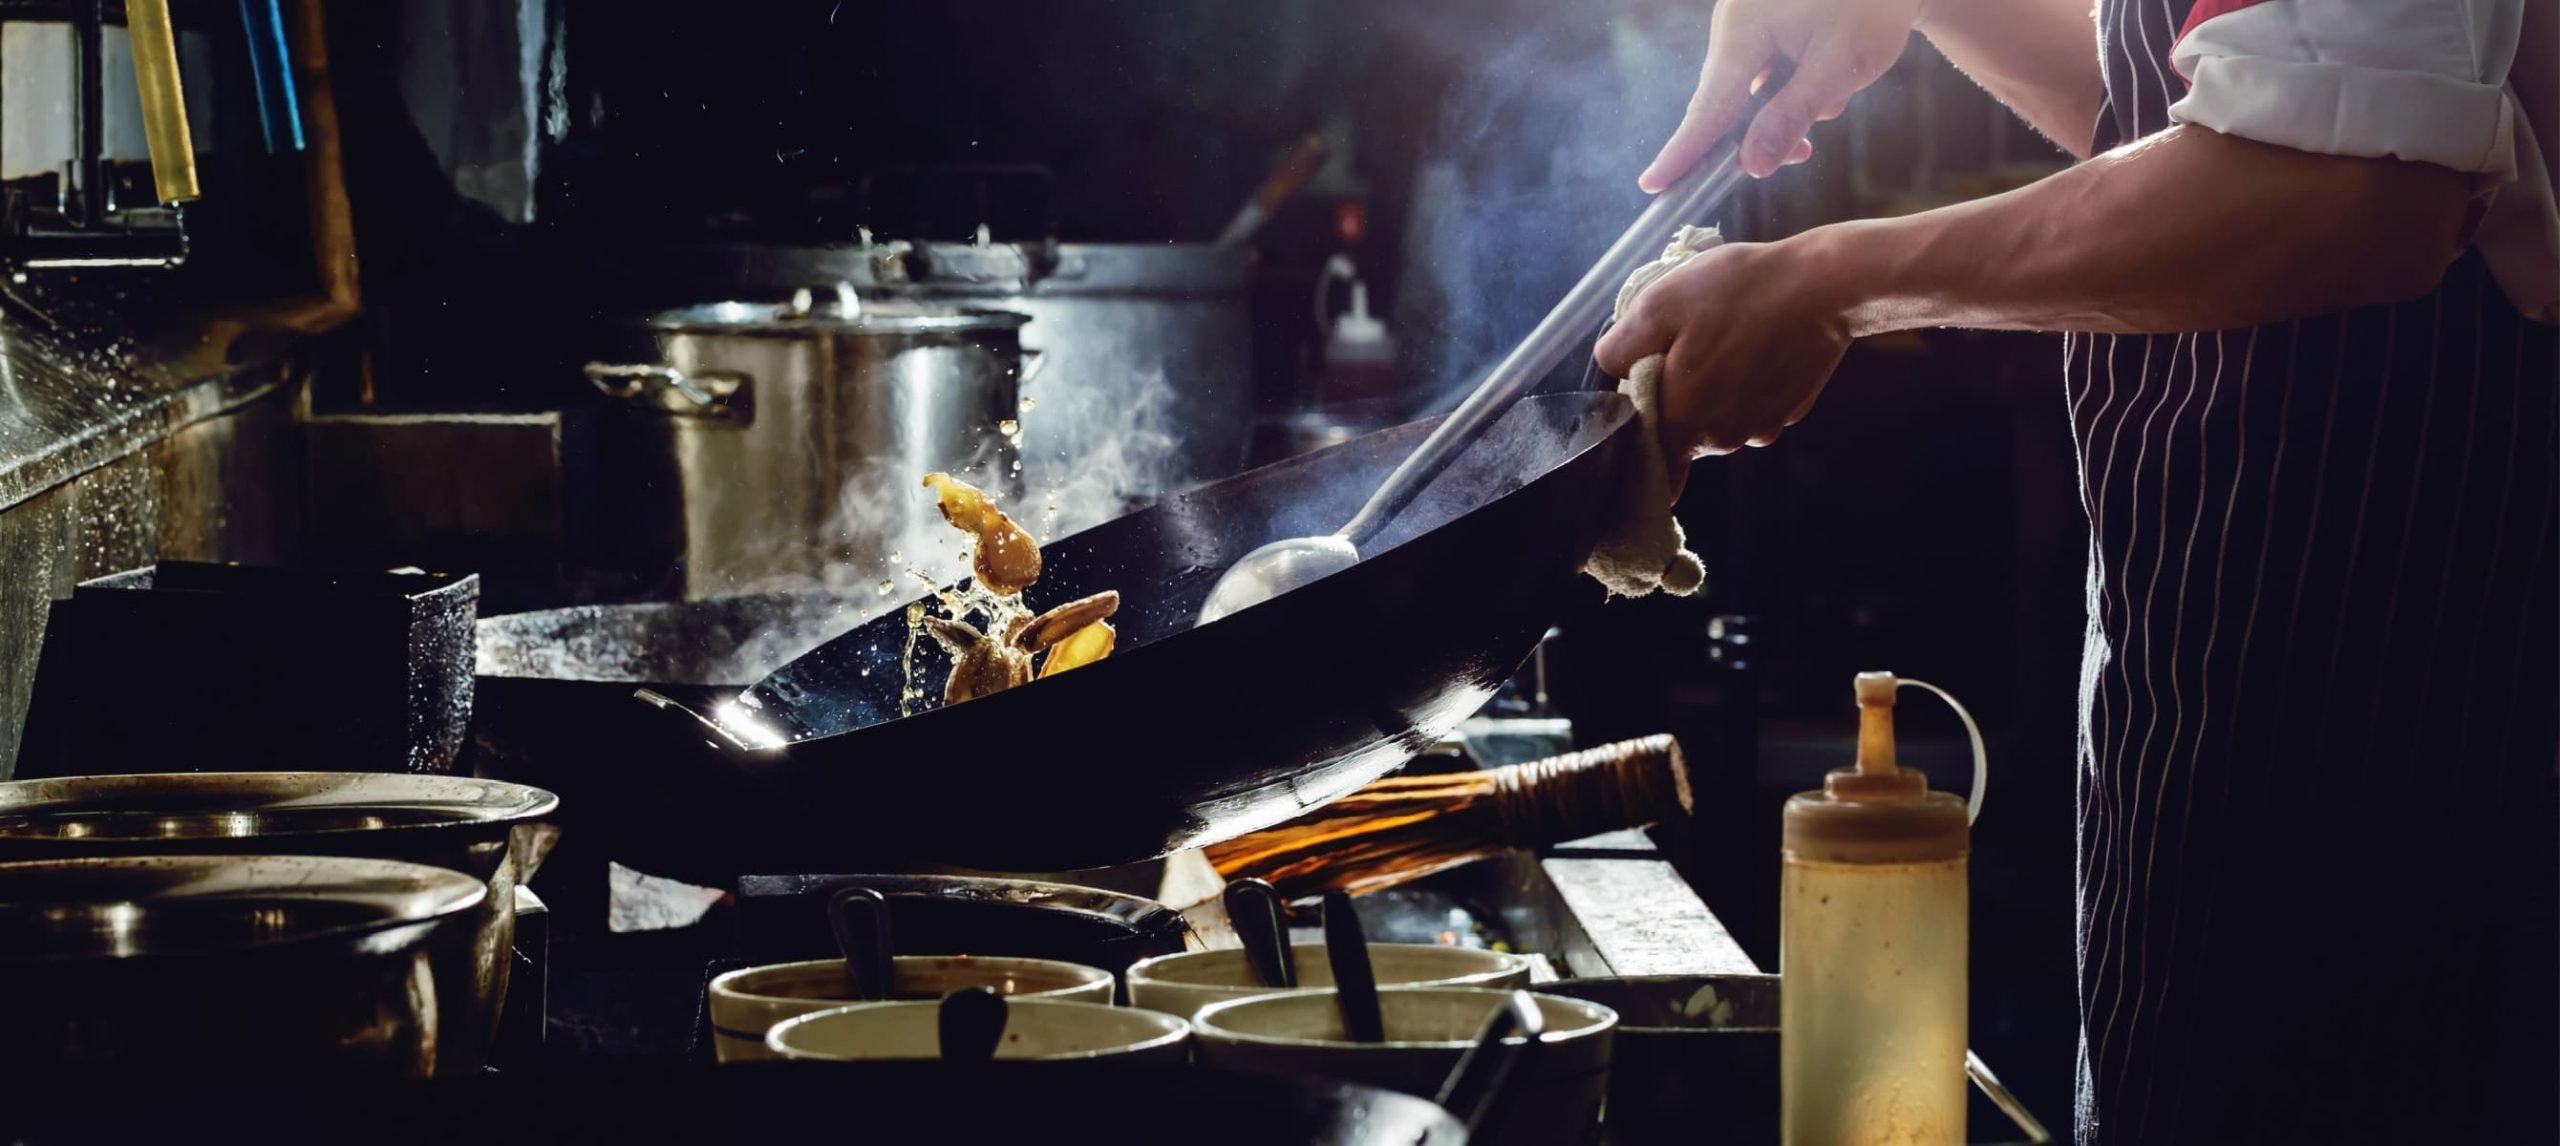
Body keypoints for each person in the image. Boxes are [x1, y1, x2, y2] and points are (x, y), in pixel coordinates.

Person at [1598, 1, 2557, 1141]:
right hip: (2204, 653)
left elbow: (2353, 192)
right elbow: (2200, 120)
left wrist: (1834, 283)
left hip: (2400, 672)